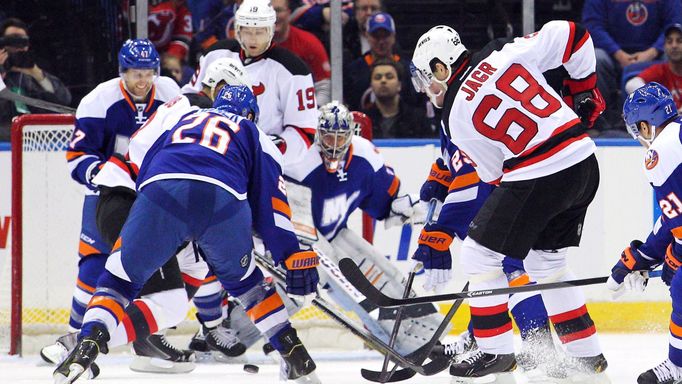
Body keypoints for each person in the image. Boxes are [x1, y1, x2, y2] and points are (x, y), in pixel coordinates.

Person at [53, 85, 321, 384]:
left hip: (158, 194)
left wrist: (160, 217)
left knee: (117, 281)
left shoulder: (183, 116)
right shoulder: (254, 133)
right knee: (249, 287)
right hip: (221, 203)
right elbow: (271, 206)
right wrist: (289, 253)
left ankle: (86, 345)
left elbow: (146, 158)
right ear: (251, 115)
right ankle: (296, 355)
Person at [410, 21, 607, 381]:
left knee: (479, 253)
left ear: (442, 67)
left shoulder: (454, 116)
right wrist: (584, 91)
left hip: (542, 172)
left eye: (427, 78)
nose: (427, 90)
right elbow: (574, 34)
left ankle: (493, 348)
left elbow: (495, 177)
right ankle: (586, 355)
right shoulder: (504, 51)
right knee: (546, 263)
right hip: (584, 160)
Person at [62, 38, 180, 362]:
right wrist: (104, 174)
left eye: (147, 73)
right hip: (109, 193)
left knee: (158, 266)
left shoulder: (172, 95)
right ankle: (72, 338)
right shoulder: (98, 101)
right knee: (94, 267)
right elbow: (76, 157)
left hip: (154, 192)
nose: (142, 81)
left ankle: (147, 340)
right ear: (122, 72)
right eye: (134, 73)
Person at [607, 82, 682, 384]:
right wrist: (644, 256)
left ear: (644, 125)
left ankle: (677, 367)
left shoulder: (661, 154)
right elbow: (671, 219)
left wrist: (675, 260)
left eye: (636, 131)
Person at [182, 0, 318, 137]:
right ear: (237, 30)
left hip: (265, 152)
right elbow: (190, 99)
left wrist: (266, 151)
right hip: (215, 144)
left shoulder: (293, 69)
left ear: (270, 30)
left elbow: (304, 131)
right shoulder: (215, 54)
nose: (253, 39)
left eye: (260, 32)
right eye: (247, 32)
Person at [582, 0, 681, 129]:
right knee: (596, 58)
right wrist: (617, 52)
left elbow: (676, 21)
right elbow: (593, 25)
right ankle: (600, 124)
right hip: (612, 55)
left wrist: (653, 51)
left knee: (674, 51)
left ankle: (667, 121)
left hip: (655, 54)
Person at [0, 17, 72, 141]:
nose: (18, 48)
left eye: (22, 42)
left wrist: (38, 75)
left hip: (35, 140)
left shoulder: (33, 74)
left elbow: (64, 101)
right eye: (12, 41)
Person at [343, 11, 417, 111]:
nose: (381, 41)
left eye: (385, 35)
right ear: (367, 36)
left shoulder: (408, 70)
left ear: (393, 36)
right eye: (376, 36)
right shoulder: (353, 71)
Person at [272, 0, 332, 105]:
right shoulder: (252, 45)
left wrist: (312, 114)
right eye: (269, 11)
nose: (274, 16)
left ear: (288, 13)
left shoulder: (308, 42)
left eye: (278, 10)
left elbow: (324, 85)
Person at [362, 58, 433, 138]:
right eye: (378, 77)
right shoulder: (363, 120)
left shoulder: (418, 119)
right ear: (371, 85)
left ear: (399, 85)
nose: (383, 81)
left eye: (389, 77)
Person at [626, 24, 682, 111]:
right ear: (664, 47)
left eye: (679, 41)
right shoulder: (660, 70)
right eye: (669, 41)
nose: (674, 46)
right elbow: (631, 85)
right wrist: (659, 103)